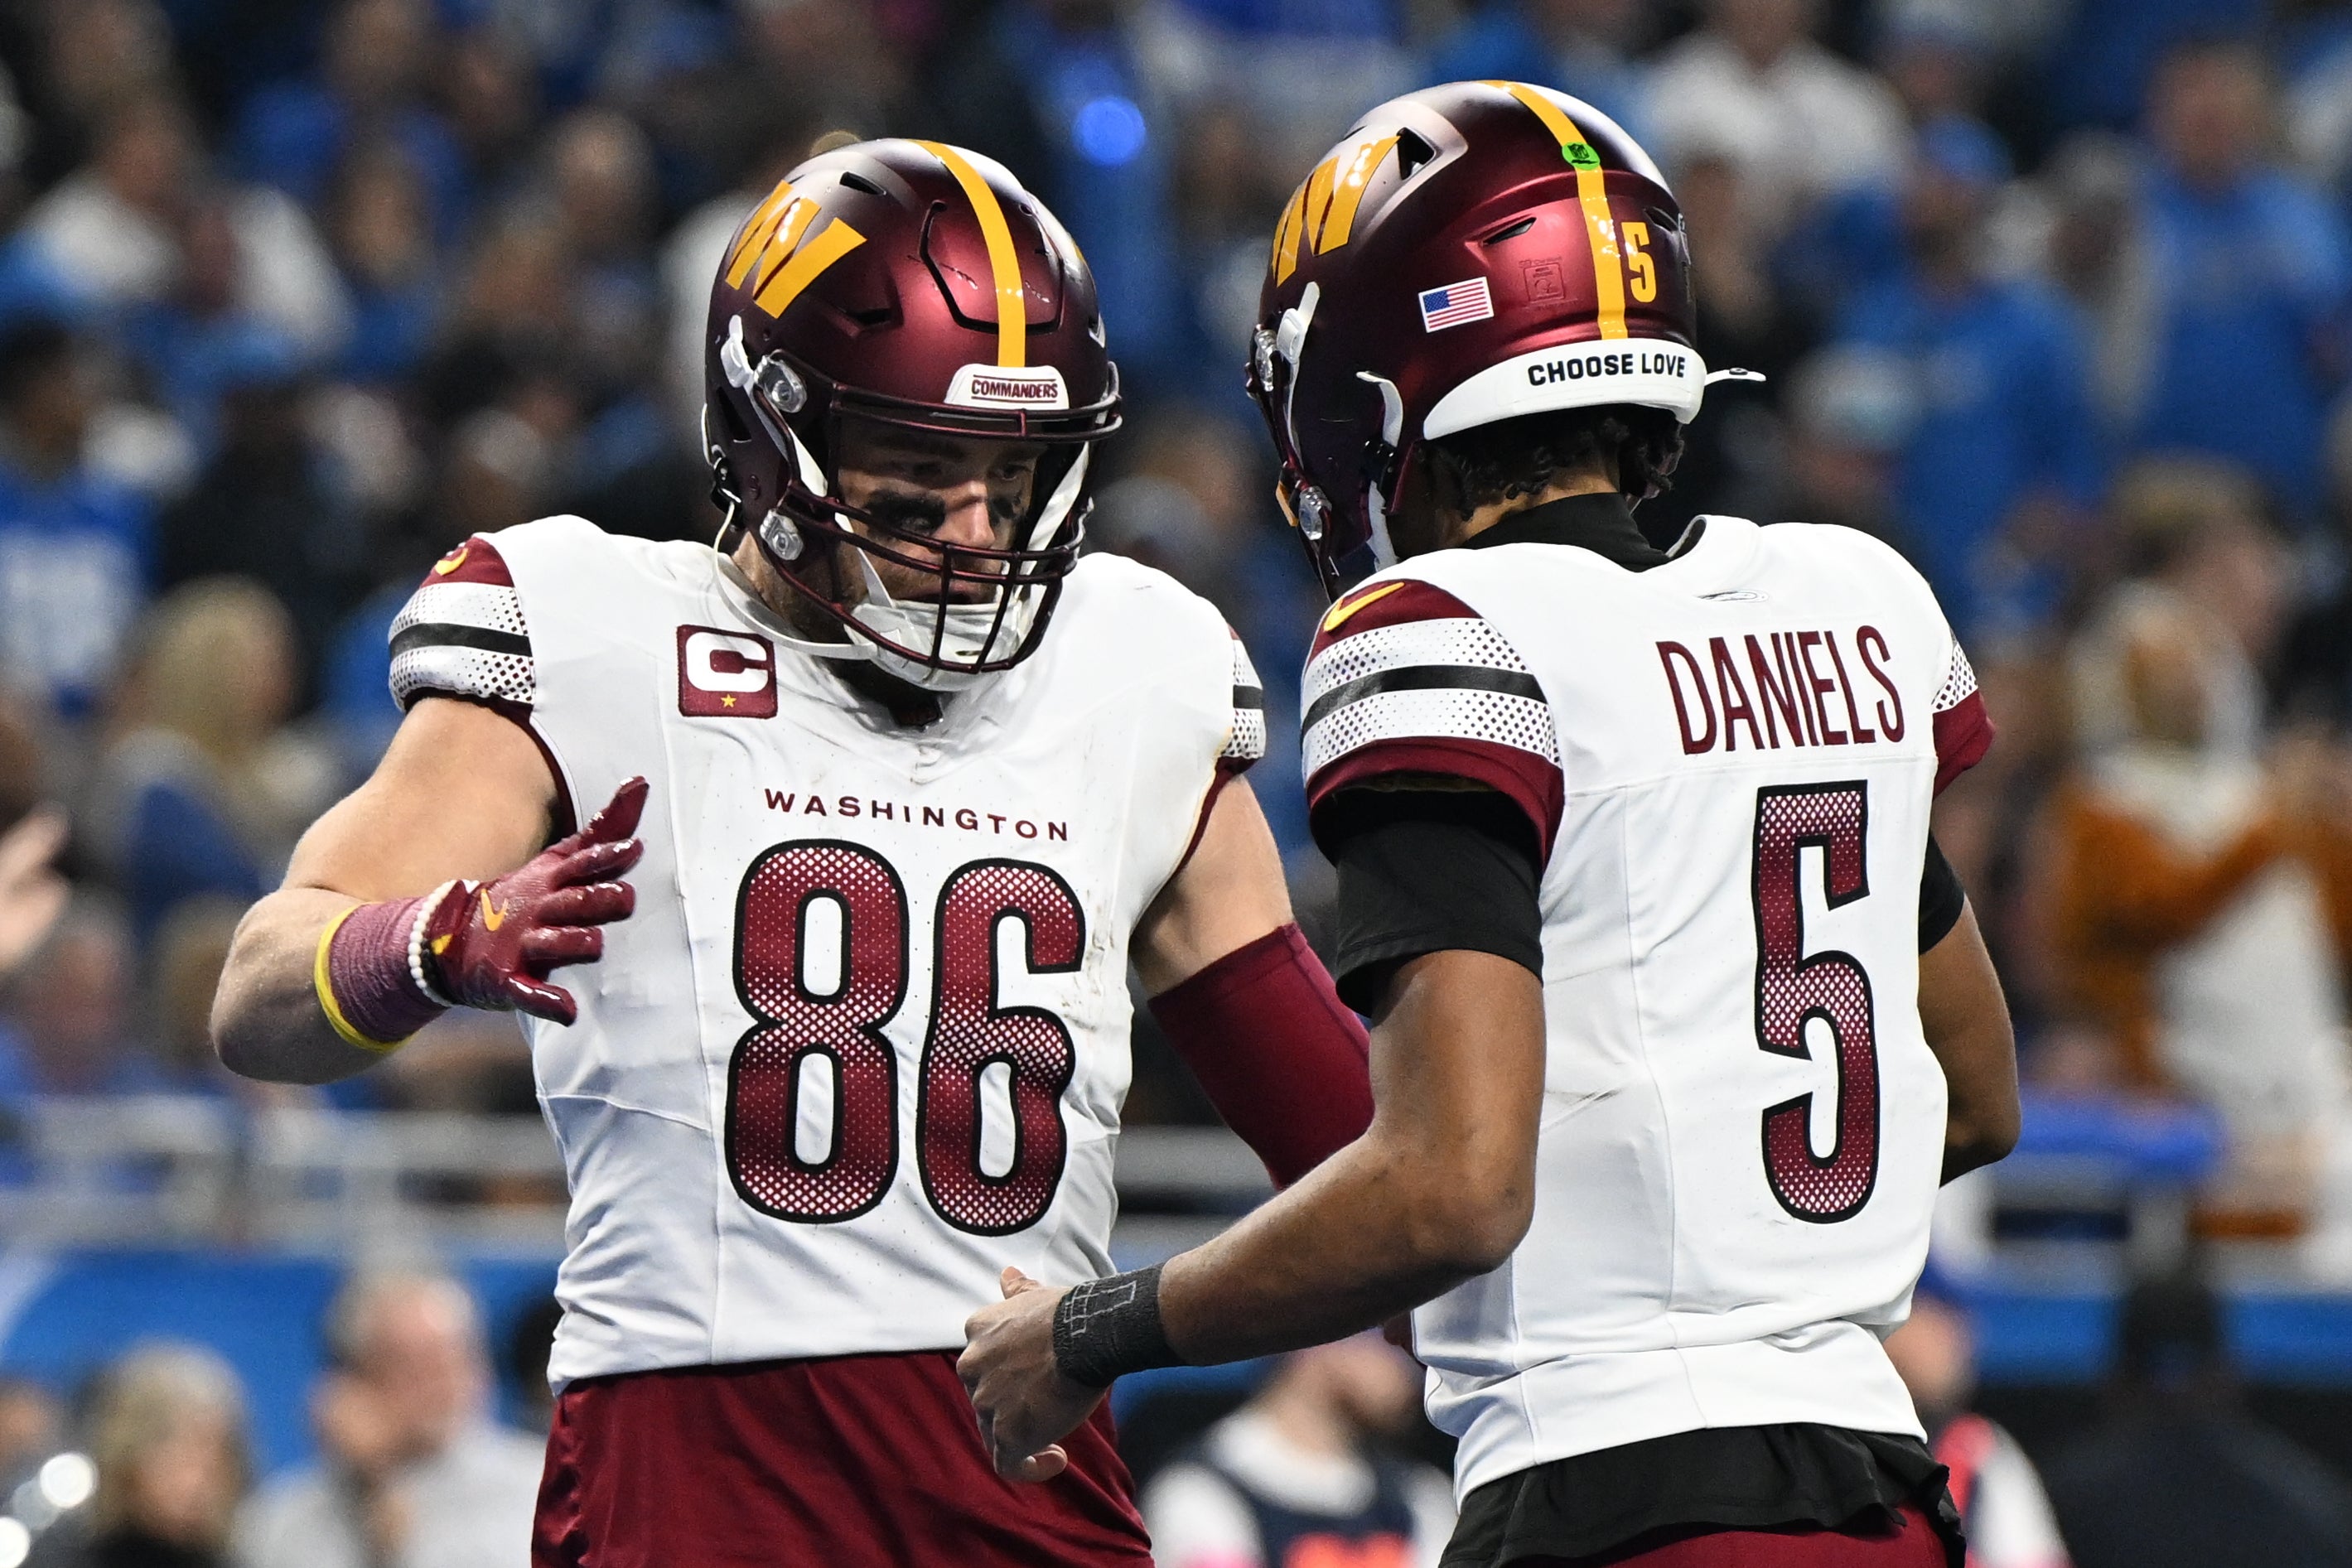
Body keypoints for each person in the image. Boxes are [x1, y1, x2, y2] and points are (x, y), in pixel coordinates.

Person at [209, 138, 1374, 1566]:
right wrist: (426, 944)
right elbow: (258, 994)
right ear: (768, 433)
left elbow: (1348, 1136)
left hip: (1025, 1484)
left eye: (1008, 482)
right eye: (914, 479)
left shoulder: (1136, 665)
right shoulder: (590, 630)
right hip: (691, 1480)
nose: (970, 535)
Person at [963, 80, 2021, 1568]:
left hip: (1616, 1498)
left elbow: (1451, 1187)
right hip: (1883, 1498)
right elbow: (1969, 1095)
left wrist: (1095, 1329)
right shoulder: (1846, 599)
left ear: (1388, 377)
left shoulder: (1442, 634)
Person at [234, 1271, 543, 1568]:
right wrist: (372, 1483)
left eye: (452, 1357)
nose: (442, 1382)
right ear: (354, 1379)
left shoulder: (546, 1490)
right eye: (411, 1363)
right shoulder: (282, 1521)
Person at [1141, 1333, 1454, 1568]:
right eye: (1384, 1333)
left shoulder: (1420, 1496)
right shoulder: (1198, 1494)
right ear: (1321, 1334)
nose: (1411, 1361)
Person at [1881, 1278, 2069, 1568]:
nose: (1955, 1340)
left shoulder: (1976, 1446)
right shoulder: (1824, 1434)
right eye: (1934, 1318)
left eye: (1958, 1321)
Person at [58, 1341, 249, 1568]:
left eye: (216, 1460)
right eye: (180, 1456)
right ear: (125, 1455)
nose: (197, 1482)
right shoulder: (65, 1558)